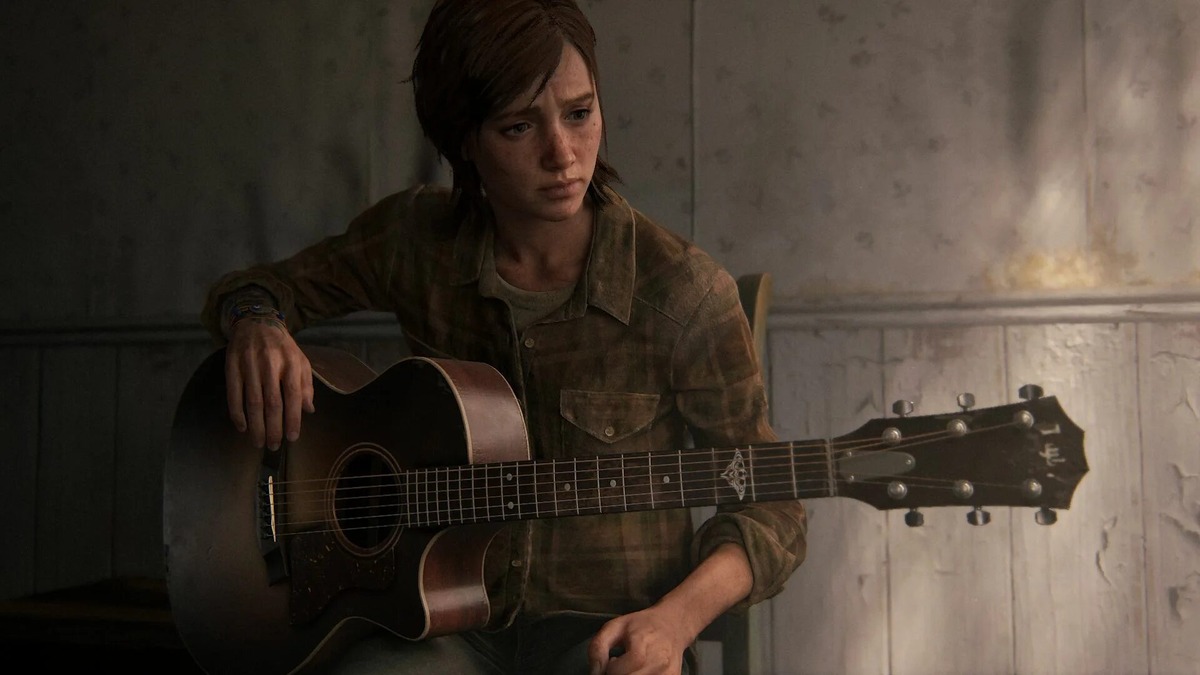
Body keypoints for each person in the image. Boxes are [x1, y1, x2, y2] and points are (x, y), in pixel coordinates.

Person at [199, 1, 807, 673]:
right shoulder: (415, 241)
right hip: (437, 625)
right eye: (519, 126)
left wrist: (675, 620)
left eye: (580, 113)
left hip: (607, 632)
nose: (562, 154)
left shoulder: (684, 292)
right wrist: (255, 322)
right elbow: (255, 287)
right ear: (465, 139)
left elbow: (773, 508)